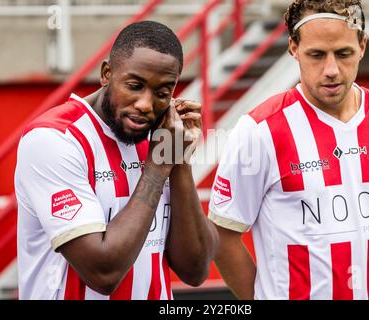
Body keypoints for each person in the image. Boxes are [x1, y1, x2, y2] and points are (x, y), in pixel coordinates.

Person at [208, 0, 369, 300]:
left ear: (362, 46)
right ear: (293, 48)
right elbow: (222, 234)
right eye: (317, 55)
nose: (331, 70)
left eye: (344, 53)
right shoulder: (259, 131)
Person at [15, 20, 219, 300]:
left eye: (162, 93)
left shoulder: (160, 135)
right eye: (135, 86)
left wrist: (178, 159)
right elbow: (103, 273)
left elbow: (195, 270)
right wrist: (158, 167)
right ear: (106, 73)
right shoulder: (54, 139)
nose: (146, 104)